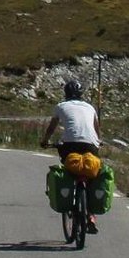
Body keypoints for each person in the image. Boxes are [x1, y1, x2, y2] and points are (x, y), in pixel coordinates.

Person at [40, 78, 102, 234]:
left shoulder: (61, 106)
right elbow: (96, 131)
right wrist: (99, 142)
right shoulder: (90, 107)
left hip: (69, 145)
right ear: (81, 94)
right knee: (91, 173)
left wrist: (45, 141)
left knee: (70, 168)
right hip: (91, 144)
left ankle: (70, 195)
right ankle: (91, 216)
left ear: (66, 93)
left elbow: (51, 128)